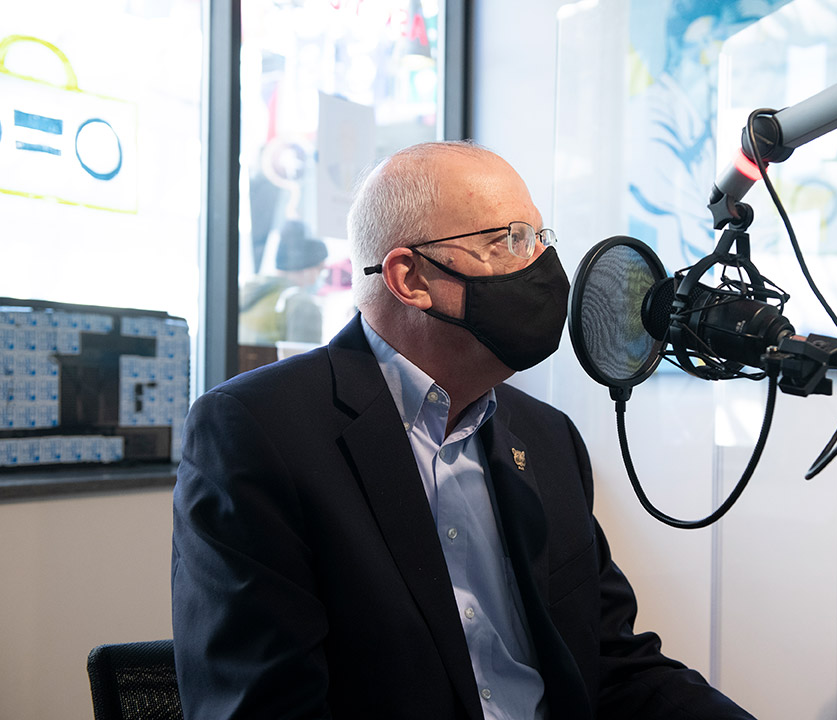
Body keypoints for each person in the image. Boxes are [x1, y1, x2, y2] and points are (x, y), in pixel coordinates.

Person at [171, 140, 755, 719]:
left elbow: (613, 666)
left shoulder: (550, 439)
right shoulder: (257, 433)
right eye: (511, 241)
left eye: (540, 239)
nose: (545, 268)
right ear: (411, 278)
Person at [238, 219, 329, 345]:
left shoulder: (252, 293)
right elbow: (306, 363)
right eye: (320, 269)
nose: (322, 276)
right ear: (307, 268)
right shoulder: (302, 305)